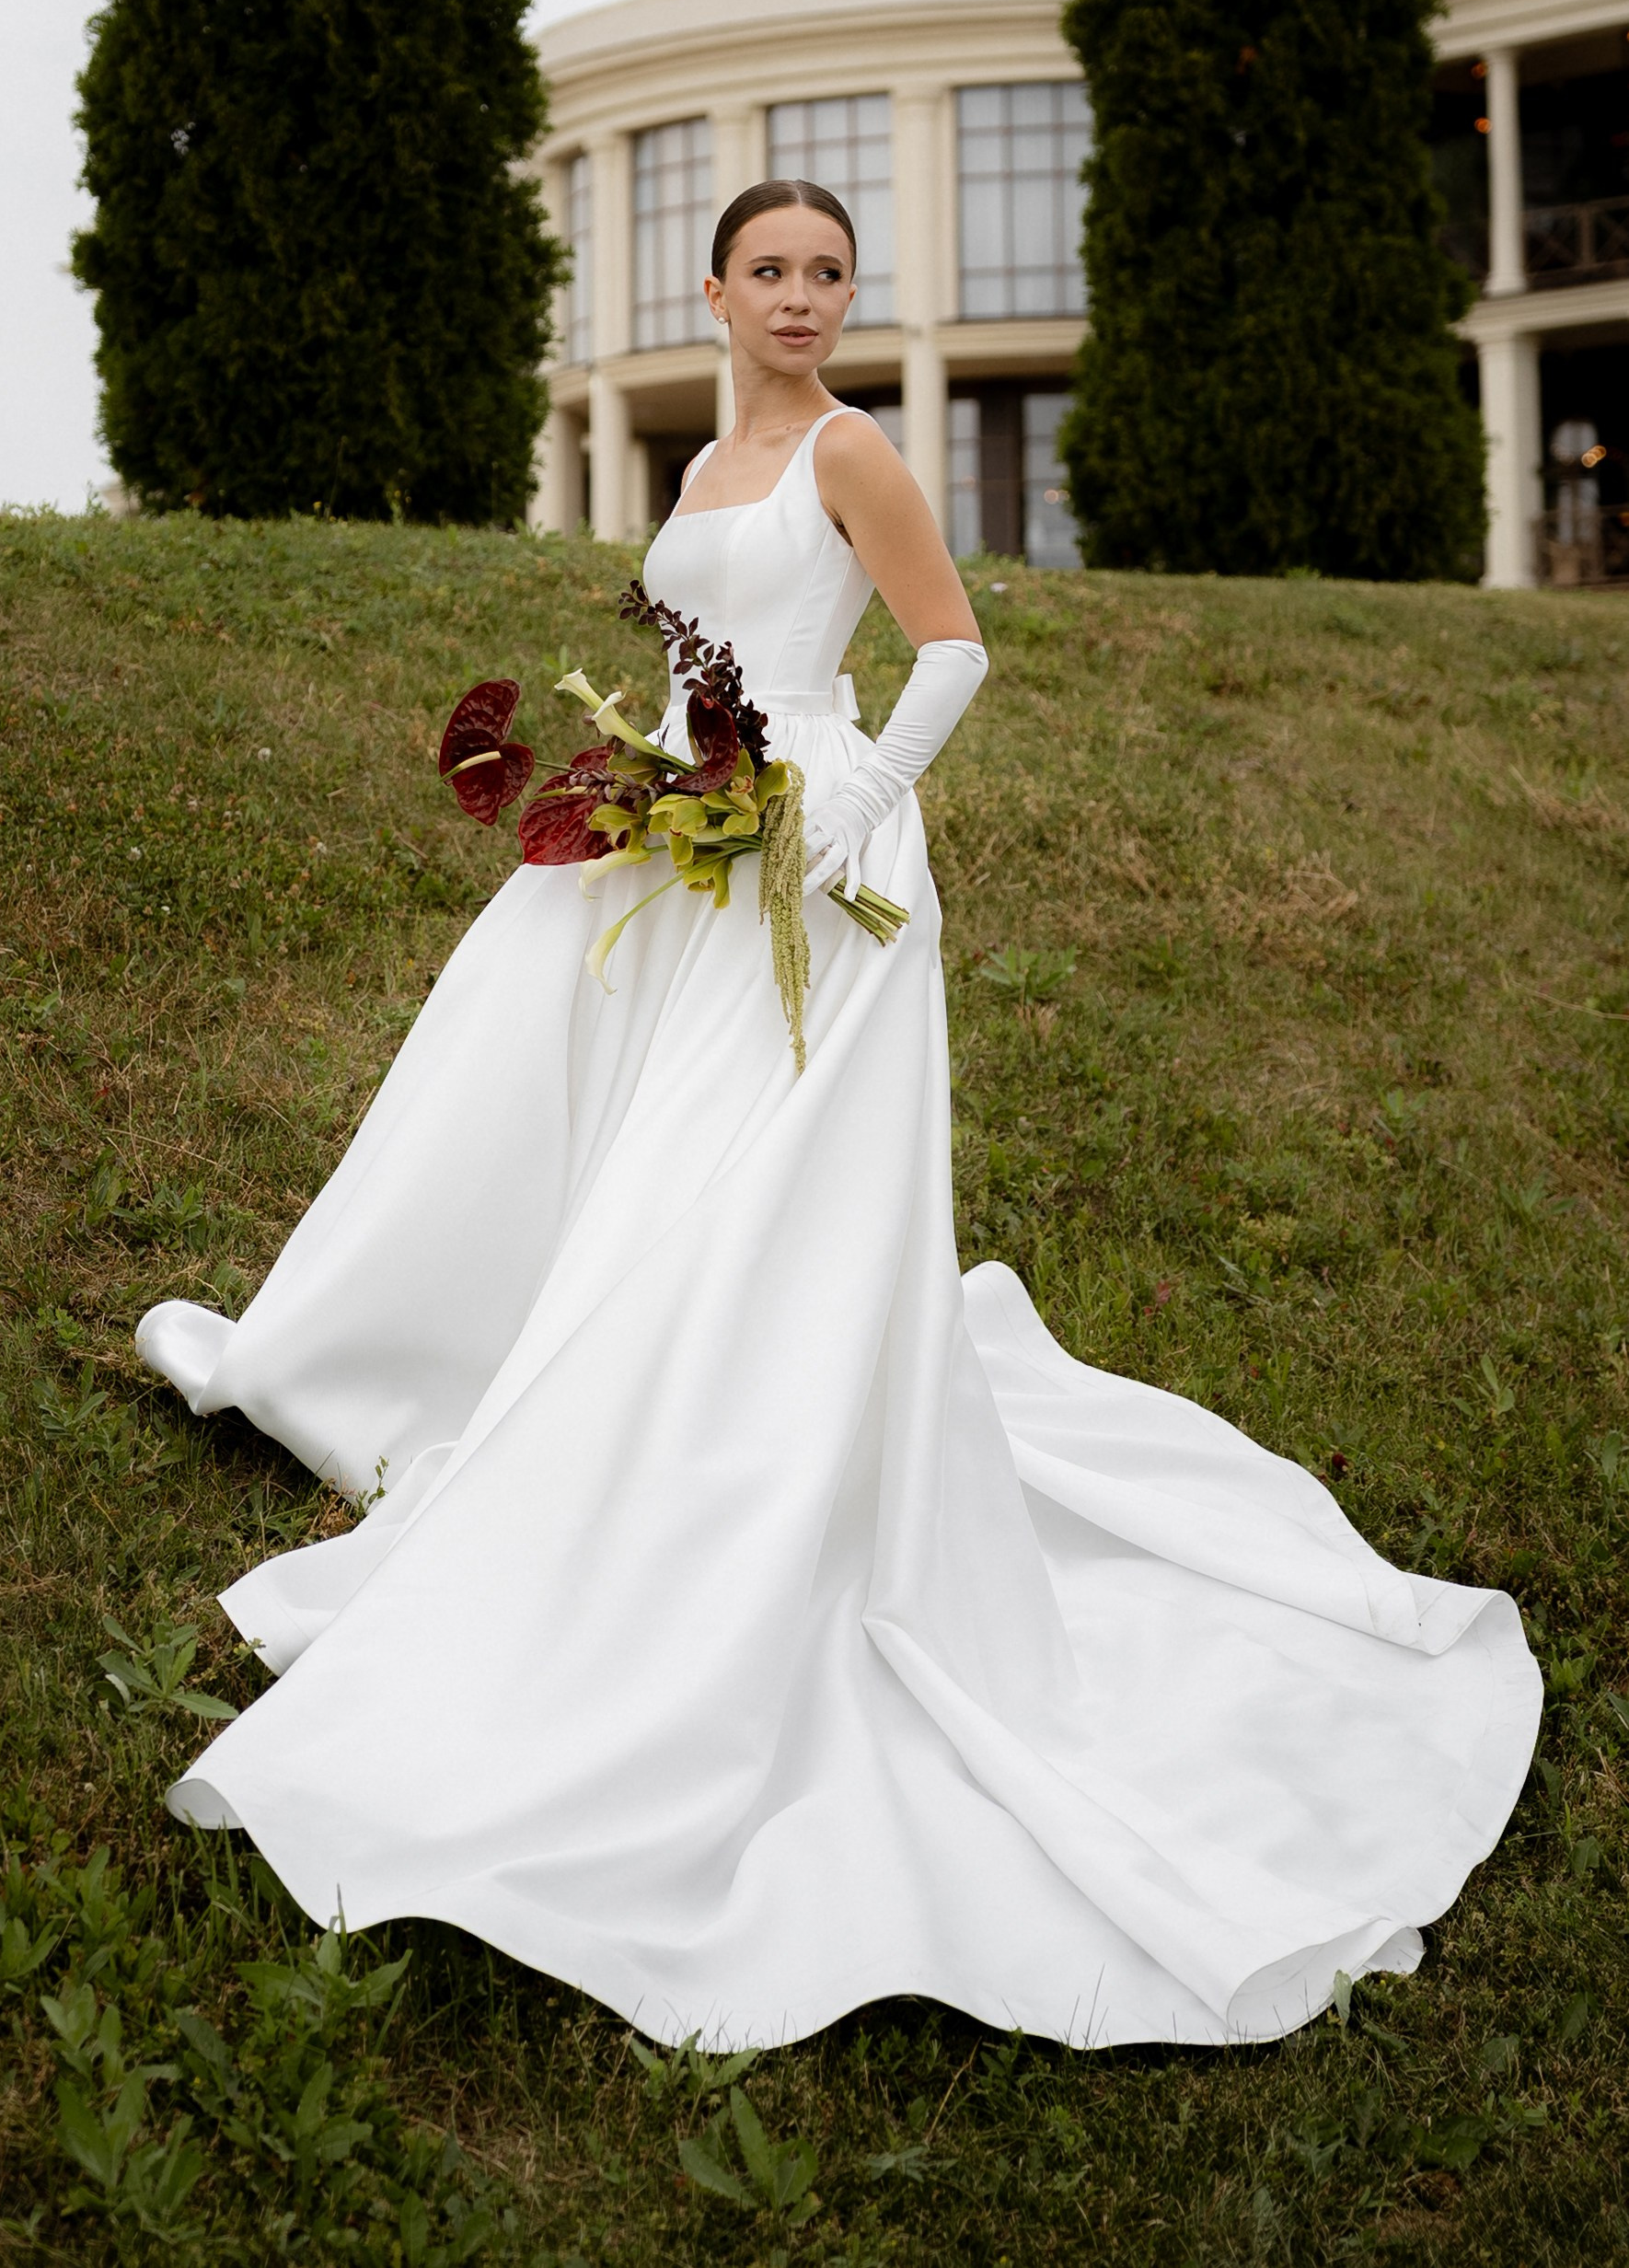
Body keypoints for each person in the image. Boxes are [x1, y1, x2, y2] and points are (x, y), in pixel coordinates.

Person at [139, 178, 1539, 2052]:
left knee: (768, 1180)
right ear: (714, 289)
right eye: (772, 271)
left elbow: (952, 645)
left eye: (829, 274)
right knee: (642, 1151)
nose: (802, 297)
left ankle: (738, 1479)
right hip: (700, 829)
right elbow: (688, 657)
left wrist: (852, 803)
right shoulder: (713, 459)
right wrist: (645, 785)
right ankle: (558, 1399)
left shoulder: (858, 452)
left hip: (833, 861)